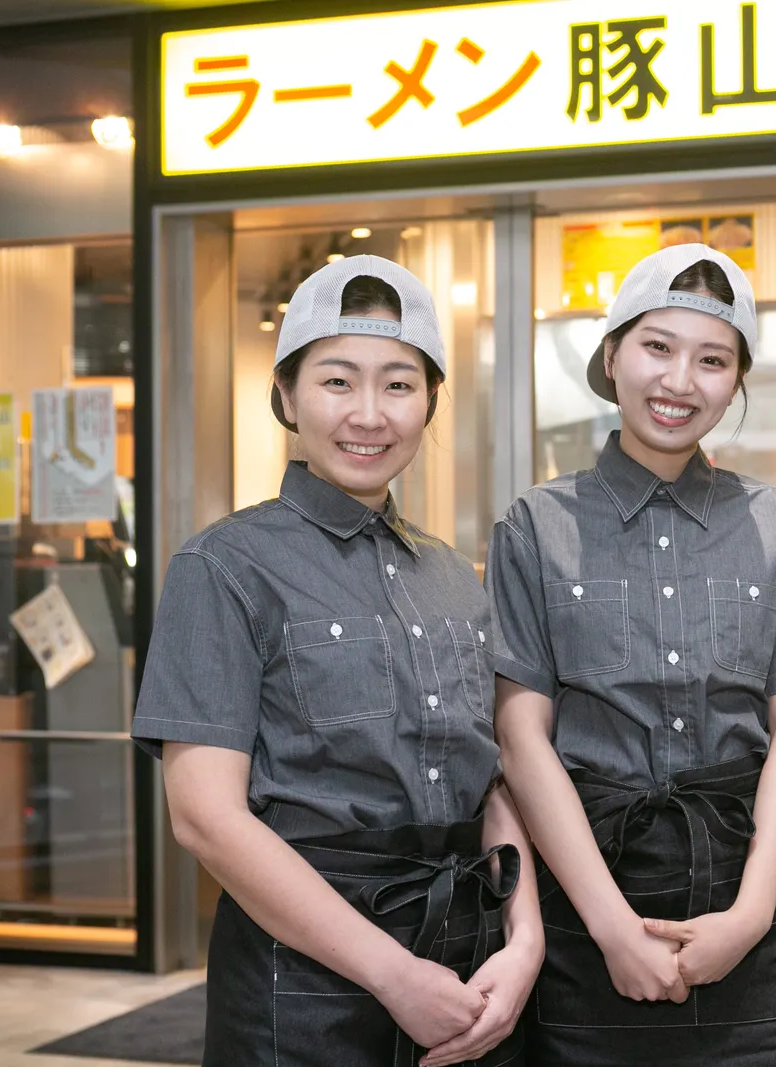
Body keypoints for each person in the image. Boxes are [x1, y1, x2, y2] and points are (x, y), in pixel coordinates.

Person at [130, 255, 540, 1067]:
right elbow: (205, 817)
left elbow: (489, 780)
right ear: (286, 396)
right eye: (336, 381)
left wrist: (524, 941)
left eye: (398, 384)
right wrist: (392, 975)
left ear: (429, 403)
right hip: (304, 988)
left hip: (468, 966)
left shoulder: (455, 576)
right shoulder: (223, 566)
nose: (369, 413)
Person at [484, 244, 776, 1066]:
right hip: (590, 902)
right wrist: (613, 928)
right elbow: (521, 740)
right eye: (658, 347)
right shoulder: (534, 526)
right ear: (613, 354)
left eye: (713, 359)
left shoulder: (775, 525)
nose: (680, 381)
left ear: (736, 382)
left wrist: (752, 914)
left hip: (754, 903)